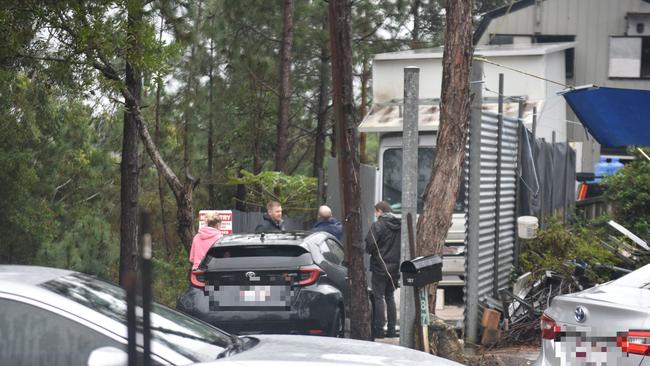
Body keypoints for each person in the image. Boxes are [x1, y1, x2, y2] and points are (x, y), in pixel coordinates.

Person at [365, 201, 401, 338]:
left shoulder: (378, 225)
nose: (375, 214)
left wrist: (370, 251)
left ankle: (379, 330)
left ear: (380, 211)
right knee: (390, 297)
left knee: (379, 297)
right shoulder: (399, 225)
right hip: (394, 268)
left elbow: (370, 243)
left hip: (380, 266)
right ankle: (391, 330)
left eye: (376, 212)